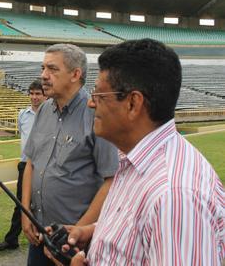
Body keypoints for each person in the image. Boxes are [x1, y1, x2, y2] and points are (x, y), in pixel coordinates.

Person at [56, 39, 225, 265]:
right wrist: (96, 232)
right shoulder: (138, 159)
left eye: (99, 95)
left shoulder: (174, 197)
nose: (91, 104)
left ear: (133, 103)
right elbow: (142, 226)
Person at [21, 43, 119, 265]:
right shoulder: (45, 109)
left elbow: (111, 179)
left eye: (52, 69)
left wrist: (76, 233)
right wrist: (25, 212)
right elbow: (31, 162)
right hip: (39, 230)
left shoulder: (96, 114)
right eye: (42, 68)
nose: (43, 76)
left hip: (75, 240)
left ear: (75, 74)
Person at [0, 79, 46, 251]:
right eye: (31, 93)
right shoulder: (23, 114)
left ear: (45, 96)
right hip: (25, 164)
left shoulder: (50, 115)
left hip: (44, 166)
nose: (34, 97)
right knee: (21, 203)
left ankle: (45, 237)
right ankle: (12, 239)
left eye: (38, 94)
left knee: (44, 202)